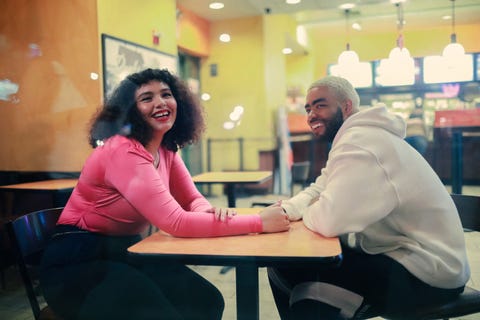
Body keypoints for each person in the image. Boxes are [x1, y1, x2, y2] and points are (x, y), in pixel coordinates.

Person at [39, 68, 290, 320]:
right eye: (147, 98)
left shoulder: (165, 147)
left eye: (166, 94)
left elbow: (191, 199)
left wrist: (207, 211)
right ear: (130, 110)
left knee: (206, 301)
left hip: (123, 251)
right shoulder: (123, 151)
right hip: (77, 263)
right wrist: (259, 222)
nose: (160, 103)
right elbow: (175, 222)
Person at [267, 76, 470, 319]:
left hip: (428, 273)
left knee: (311, 285)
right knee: (286, 263)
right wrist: (286, 210)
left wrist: (311, 209)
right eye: (308, 108)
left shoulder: (361, 143)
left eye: (320, 105)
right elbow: (318, 189)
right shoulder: (354, 139)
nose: (311, 114)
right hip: (404, 255)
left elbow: (330, 220)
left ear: (346, 107)